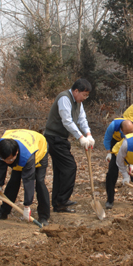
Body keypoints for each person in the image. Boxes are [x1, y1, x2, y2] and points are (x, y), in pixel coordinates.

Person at [44, 79, 95, 213]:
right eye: (84, 95)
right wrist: (80, 137)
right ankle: (62, 200)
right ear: (76, 91)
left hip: (62, 139)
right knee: (69, 167)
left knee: (60, 171)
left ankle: (58, 203)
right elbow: (67, 121)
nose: (85, 98)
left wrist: (88, 134)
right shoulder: (64, 98)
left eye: (87, 95)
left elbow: (82, 119)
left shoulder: (78, 103)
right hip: (53, 137)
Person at [0, 129, 50, 226]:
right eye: (4, 159)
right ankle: (3, 212)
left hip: (39, 148)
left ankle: (43, 216)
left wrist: (27, 206)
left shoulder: (27, 156)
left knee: (39, 182)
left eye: (10, 159)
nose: (7, 162)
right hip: (21, 144)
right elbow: (0, 166)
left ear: (16, 152)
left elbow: (28, 180)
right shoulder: (0, 148)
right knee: (14, 180)